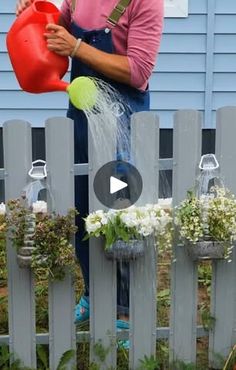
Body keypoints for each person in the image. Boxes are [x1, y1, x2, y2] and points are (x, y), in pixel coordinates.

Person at [16, 0, 164, 334]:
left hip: (121, 121)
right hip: (82, 117)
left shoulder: (145, 2)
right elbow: (56, 35)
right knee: (82, 209)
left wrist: (78, 47)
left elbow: (138, 71)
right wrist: (32, 15)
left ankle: (123, 313)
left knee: (119, 215)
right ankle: (94, 295)